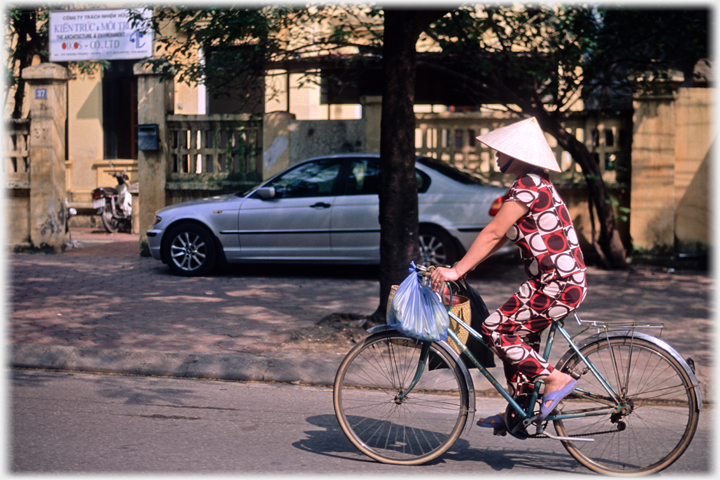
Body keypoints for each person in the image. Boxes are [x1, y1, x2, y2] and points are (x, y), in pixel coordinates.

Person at [430, 117, 587, 431]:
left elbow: (493, 231)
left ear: (520, 155)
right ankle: (518, 412)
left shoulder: (528, 186)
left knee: (494, 330)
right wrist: (466, 269)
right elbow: (501, 236)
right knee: (517, 341)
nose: (496, 155)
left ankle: (556, 379)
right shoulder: (533, 185)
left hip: (557, 283)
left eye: (502, 151)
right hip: (553, 281)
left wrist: (456, 269)